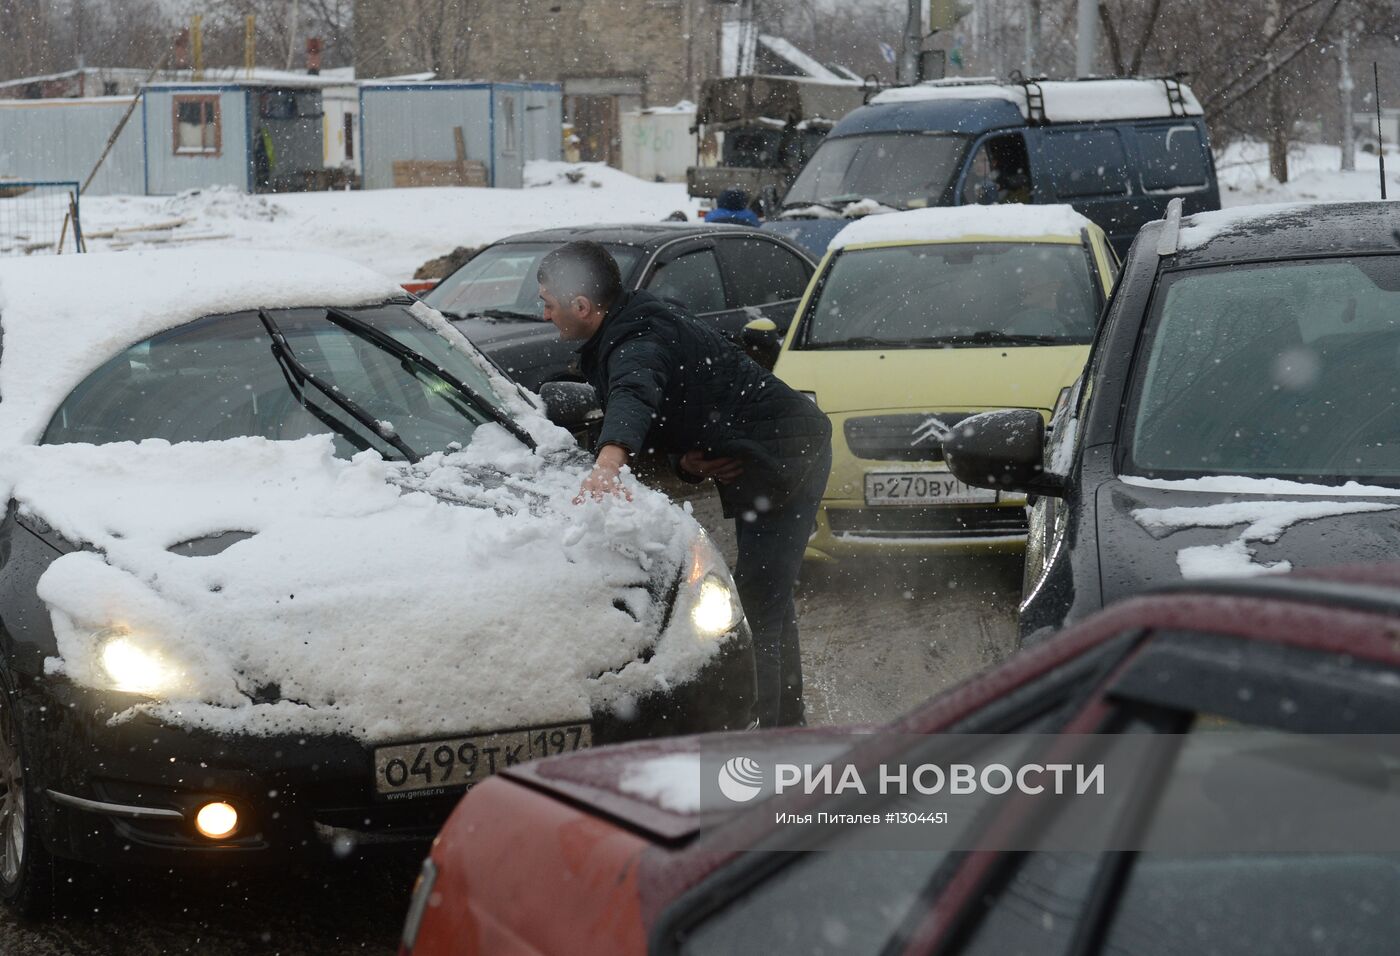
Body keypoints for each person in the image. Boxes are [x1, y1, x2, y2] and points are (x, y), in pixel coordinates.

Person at [537, 241, 831, 727]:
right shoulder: (629, 323)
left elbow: (636, 390)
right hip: (763, 451)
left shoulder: (636, 339)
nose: (544, 314)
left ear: (582, 307)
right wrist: (686, 462)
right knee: (768, 593)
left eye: (548, 303)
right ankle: (789, 716)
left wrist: (609, 462)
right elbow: (672, 402)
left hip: (789, 451)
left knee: (761, 597)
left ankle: (776, 733)